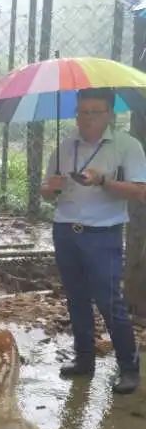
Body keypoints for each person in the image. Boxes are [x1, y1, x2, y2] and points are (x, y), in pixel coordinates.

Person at [40, 87, 146, 395]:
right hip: (65, 229)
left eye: (95, 112)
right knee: (76, 299)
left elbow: (141, 191)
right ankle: (84, 361)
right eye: (82, 112)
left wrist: (104, 181)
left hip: (103, 233)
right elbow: (46, 194)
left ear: (110, 114)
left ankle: (128, 368)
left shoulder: (126, 145)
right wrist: (52, 188)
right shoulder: (65, 145)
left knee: (110, 302)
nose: (87, 119)